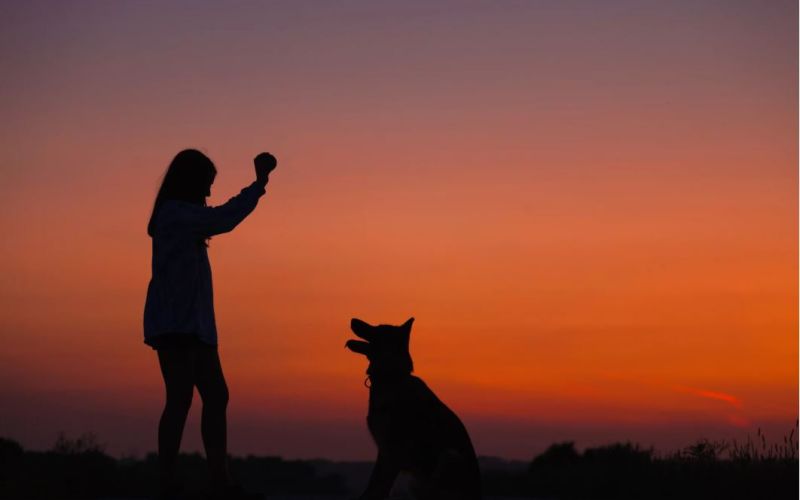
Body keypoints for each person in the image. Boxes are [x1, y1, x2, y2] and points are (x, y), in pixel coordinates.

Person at [143, 149, 277, 499]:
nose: (208, 193)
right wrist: (259, 184)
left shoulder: (182, 215)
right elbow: (225, 218)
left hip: (194, 324)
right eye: (206, 184)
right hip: (176, 323)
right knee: (181, 398)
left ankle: (219, 480)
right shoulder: (174, 214)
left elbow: (219, 217)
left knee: (215, 396)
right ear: (191, 182)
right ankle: (167, 481)